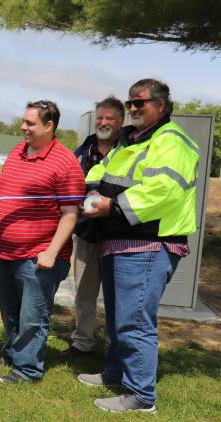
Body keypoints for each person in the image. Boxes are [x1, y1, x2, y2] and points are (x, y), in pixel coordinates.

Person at [78, 79, 199, 414]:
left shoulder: (172, 141)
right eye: (130, 103)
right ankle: (116, 372)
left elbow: (164, 190)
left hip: (148, 244)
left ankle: (141, 395)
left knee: (135, 321)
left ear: (160, 105)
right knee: (119, 316)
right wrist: (85, 191)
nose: (132, 109)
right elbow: (101, 172)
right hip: (117, 242)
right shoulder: (129, 140)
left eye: (139, 103)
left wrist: (111, 207)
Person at [0, 100, 84, 384]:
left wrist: (51, 253)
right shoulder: (18, 151)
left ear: (49, 126)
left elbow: (70, 214)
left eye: (30, 123)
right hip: (6, 252)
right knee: (10, 311)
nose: (23, 127)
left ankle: (27, 370)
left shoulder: (65, 162)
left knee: (33, 316)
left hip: (38, 257)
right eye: (24, 121)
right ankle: (13, 354)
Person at [60, 96, 124, 359]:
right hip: (87, 233)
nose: (103, 122)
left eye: (110, 118)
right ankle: (82, 343)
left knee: (117, 298)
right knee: (84, 293)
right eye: (100, 117)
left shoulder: (129, 149)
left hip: (119, 235)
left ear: (121, 122)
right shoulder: (83, 150)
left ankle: (115, 347)